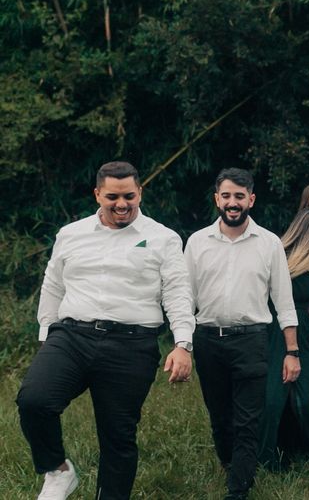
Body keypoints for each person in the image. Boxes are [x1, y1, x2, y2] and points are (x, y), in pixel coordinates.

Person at [16, 161, 194, 500]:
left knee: (118, 436)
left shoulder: (163, 238)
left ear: (140, 192)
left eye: (129, 195)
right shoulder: (71, 234)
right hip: (71, 336)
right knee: (34, 401)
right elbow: (52, 285)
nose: (122, 204)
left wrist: (182, 343)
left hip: (131, 344)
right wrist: (46, 337)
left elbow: (177, 291)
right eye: (113, 196)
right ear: (98, 194)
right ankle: (57, 470)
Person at [185, 168, 300, 500]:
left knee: (248, 419)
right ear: (216, 199)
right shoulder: (196, 243)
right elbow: (185, 298)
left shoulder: (269, 244)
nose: (232, 203)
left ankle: (238, 489)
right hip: (207, 339)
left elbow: (284, 300)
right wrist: (183, 344)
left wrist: (292, 351)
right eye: (226, 196)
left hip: (251, 340)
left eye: (239, 196)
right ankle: (230, 463)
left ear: (251, 199)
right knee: (221, 418)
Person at [258, 208, 309, 469]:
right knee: (271, 396)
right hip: (271, 331)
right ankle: (267, 455)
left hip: (301, 332)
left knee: (308, 398)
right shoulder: (274, 251)